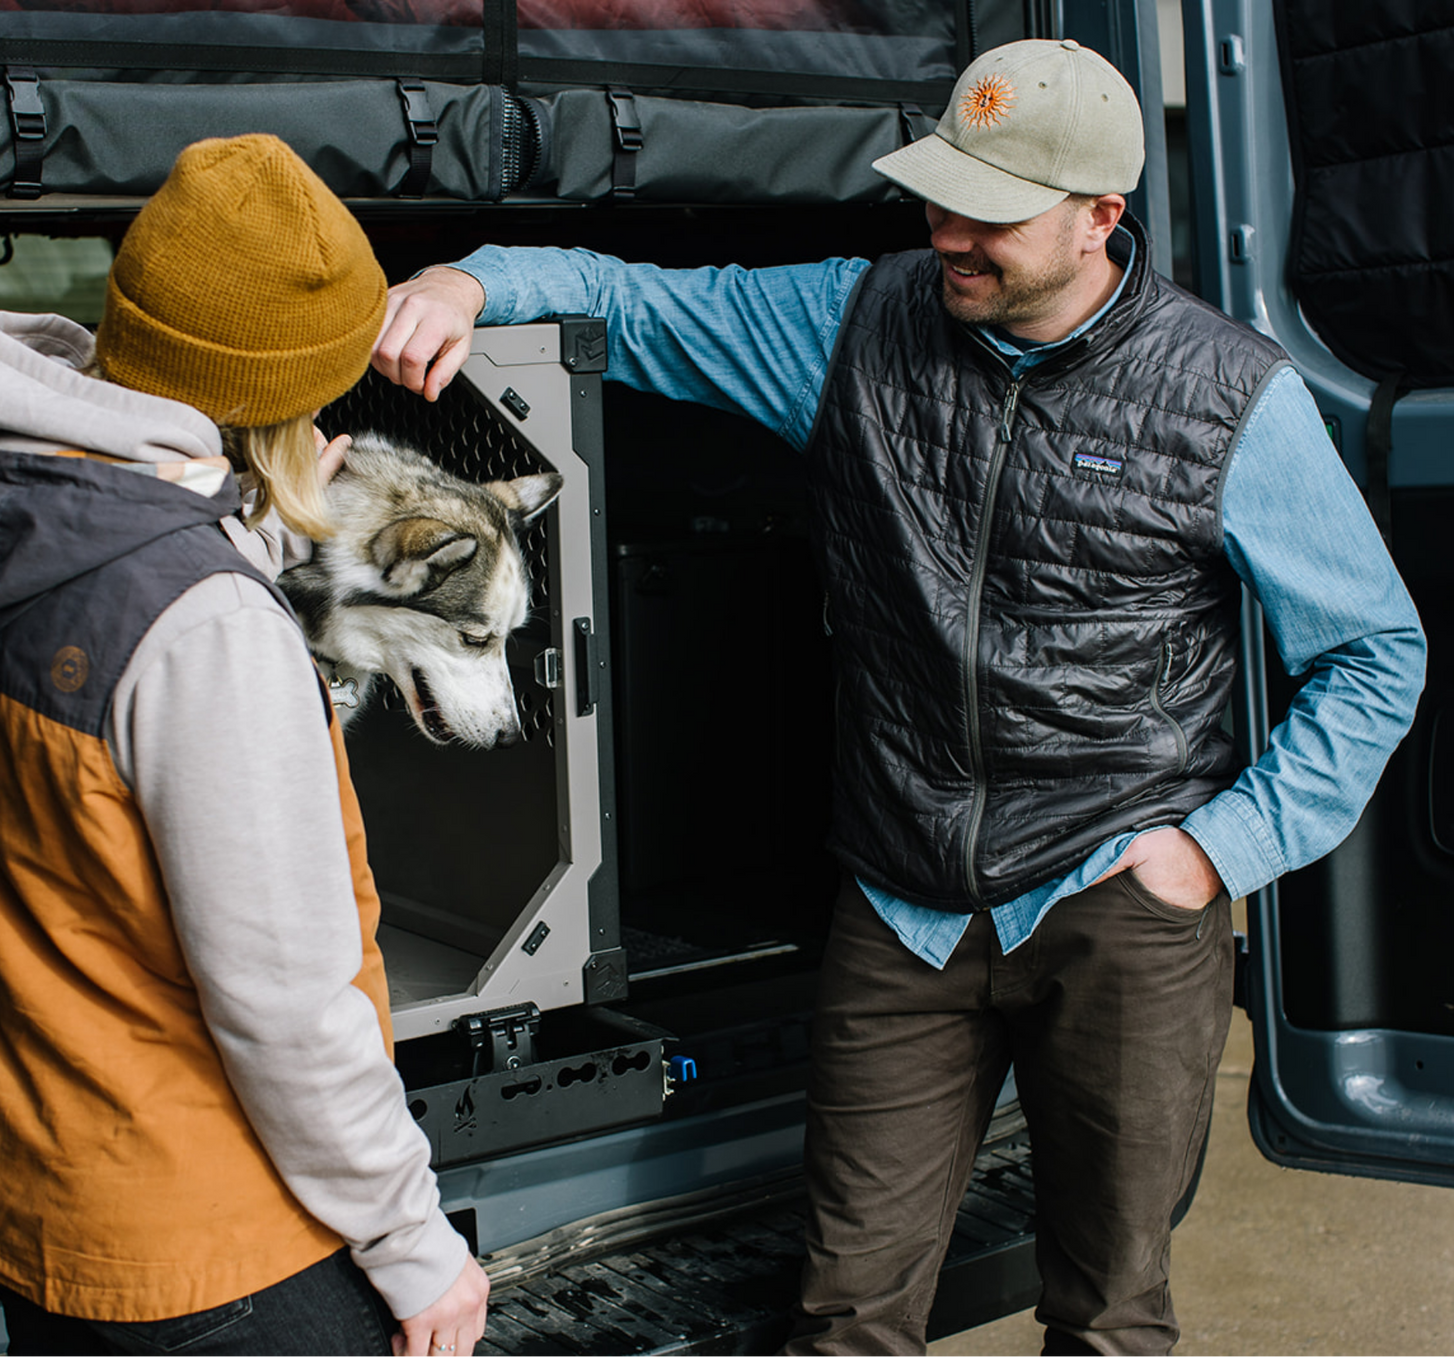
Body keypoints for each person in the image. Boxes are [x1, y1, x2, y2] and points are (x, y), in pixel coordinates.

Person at [369, 38, 1426, 1355]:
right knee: (847, 1309)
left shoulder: (1229, 399)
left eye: (992, 211)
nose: (949, 233)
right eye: (939, 196)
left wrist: (1221, 852)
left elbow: (1376, 651)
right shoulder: (858, 323)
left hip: (1119, 902)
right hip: (902, 902)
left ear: (1103, 215)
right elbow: (624, 298)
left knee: (1111, 1311)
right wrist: (470, 280)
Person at [0, 135, 487, 1357]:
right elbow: (285, 1009)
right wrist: (417, 1251)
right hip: (223, 1255)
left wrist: (238, 533)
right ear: (293, 392)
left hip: (43, 1207)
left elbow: (94, 672)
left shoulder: (0, 489)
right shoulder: (208, 632)